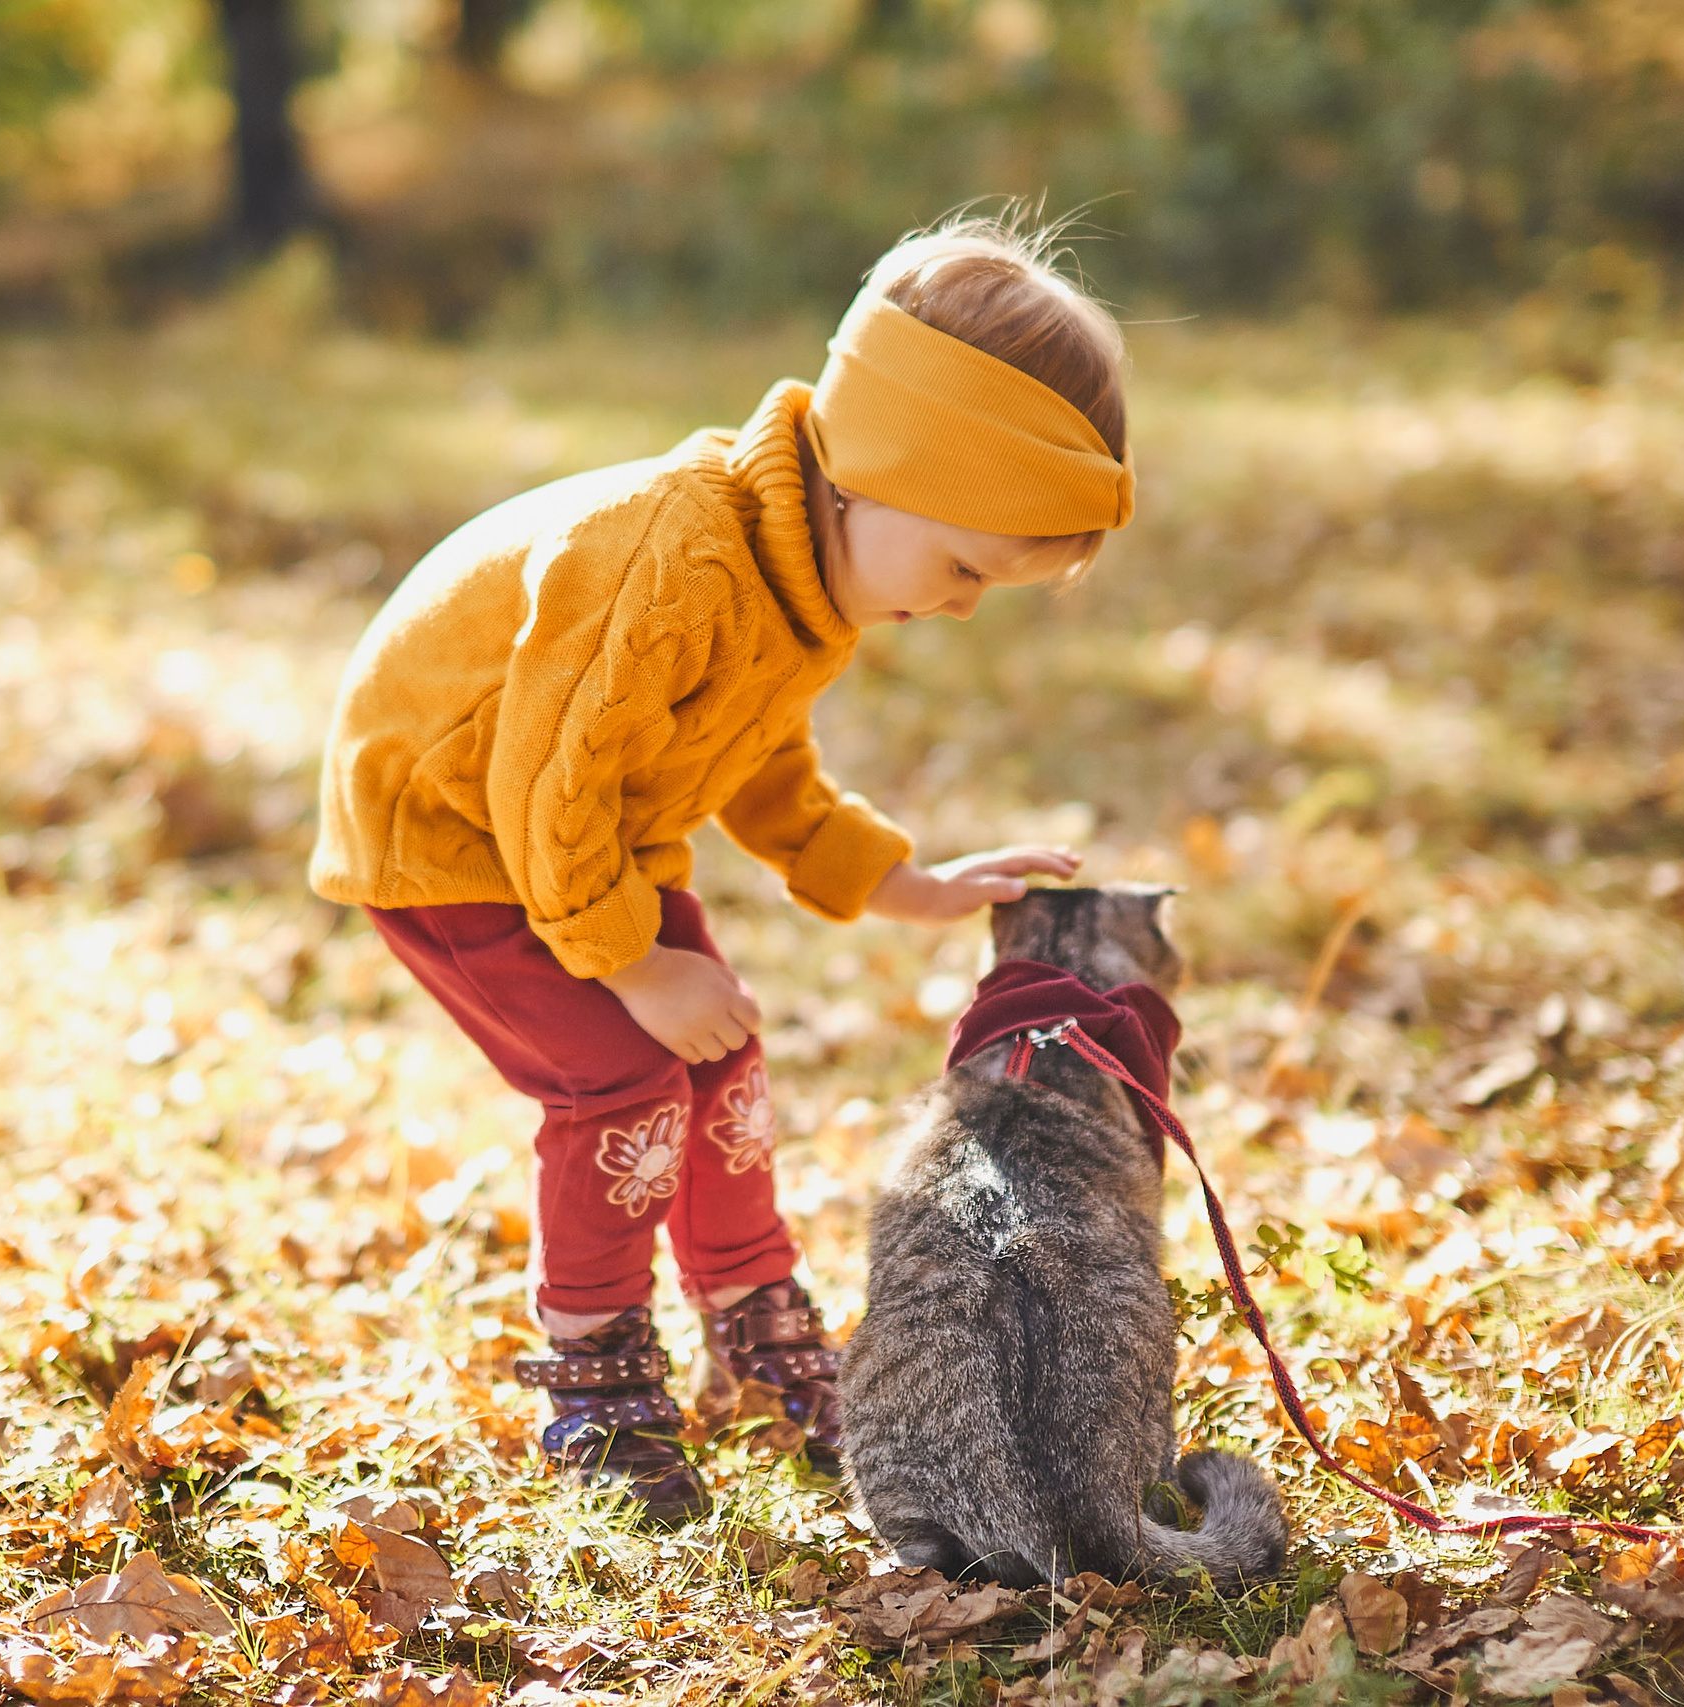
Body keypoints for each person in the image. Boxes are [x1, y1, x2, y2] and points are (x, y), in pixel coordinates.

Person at [307, 213, 1135, 1526]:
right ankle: (592, 1368)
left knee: (722, 1055)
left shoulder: (801, 573)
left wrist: (897, 880)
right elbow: (549, 775)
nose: (964, 604)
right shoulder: (675, 560)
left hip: (588, 839)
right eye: (966, 566)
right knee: (625, 1078)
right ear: (880, 467)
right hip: (453, 831)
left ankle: (751, 1323)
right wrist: (632, 961)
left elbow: (757, 764)